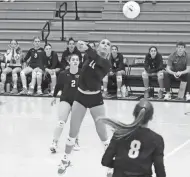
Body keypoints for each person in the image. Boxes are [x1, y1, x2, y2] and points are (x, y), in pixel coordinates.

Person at [57, 39, 112, 174]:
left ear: (109, 51)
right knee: (72, 132)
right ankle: (66, 159)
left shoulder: (106, 63)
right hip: (80, 97)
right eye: (103, 43)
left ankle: (111, 164)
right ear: (99, 46)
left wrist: (86, 48)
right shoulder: (90, 55)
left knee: (103, 134)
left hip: (95, 99)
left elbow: (96, 60)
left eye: (108, 44)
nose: (105, 45)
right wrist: (82, 47)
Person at [99, 98, 166, 177]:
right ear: (151, 117)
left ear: (134, 114)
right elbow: (160, 170)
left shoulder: (120, 134)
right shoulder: (157, 139)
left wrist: (119, 165)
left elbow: (105, 161)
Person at [50, 54, 81, 153]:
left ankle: (75, 140)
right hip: (65, 99)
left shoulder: (82, 74)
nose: (75, 61)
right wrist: (54, 97)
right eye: (73, 59)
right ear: (69, 61)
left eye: (77, 60)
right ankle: (54, 142)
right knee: (61, 122)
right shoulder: (63, 74)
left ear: (79, 62)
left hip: (78, 100)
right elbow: (58, 86)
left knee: (75, 123)